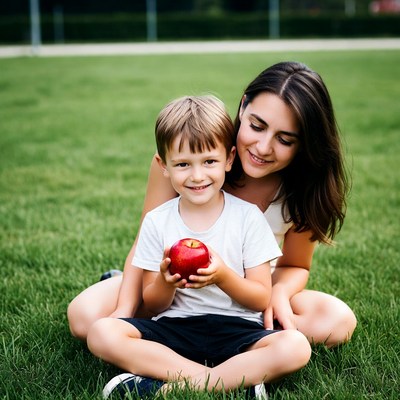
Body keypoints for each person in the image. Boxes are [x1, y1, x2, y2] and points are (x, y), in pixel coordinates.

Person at [67, 61, 357, 349]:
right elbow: (144, 241)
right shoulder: (190, 162)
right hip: (176, 290)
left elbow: (295, 264)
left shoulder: (303, 188)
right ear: (243, 107)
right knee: (85, 317)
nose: (263, 147)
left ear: (305, 143)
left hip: (251, 295)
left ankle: (233, 343)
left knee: (336, 321)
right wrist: (124, 309)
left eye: (284, 139)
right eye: (257, 126)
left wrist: (278, 293)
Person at [87, 95, 311, 399]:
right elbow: (153, 305)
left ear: (229, 159)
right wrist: (166, 282)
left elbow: (260, 298)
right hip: (176, 327)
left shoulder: (248, 218)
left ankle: (165, 387)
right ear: (164, 167)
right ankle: (231, 383)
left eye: (209, 162)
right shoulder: (158, 221)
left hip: (238, 329)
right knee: (102, 333)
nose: (197, 176)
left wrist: (223, 276)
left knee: (295, 346)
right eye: (182, 164)